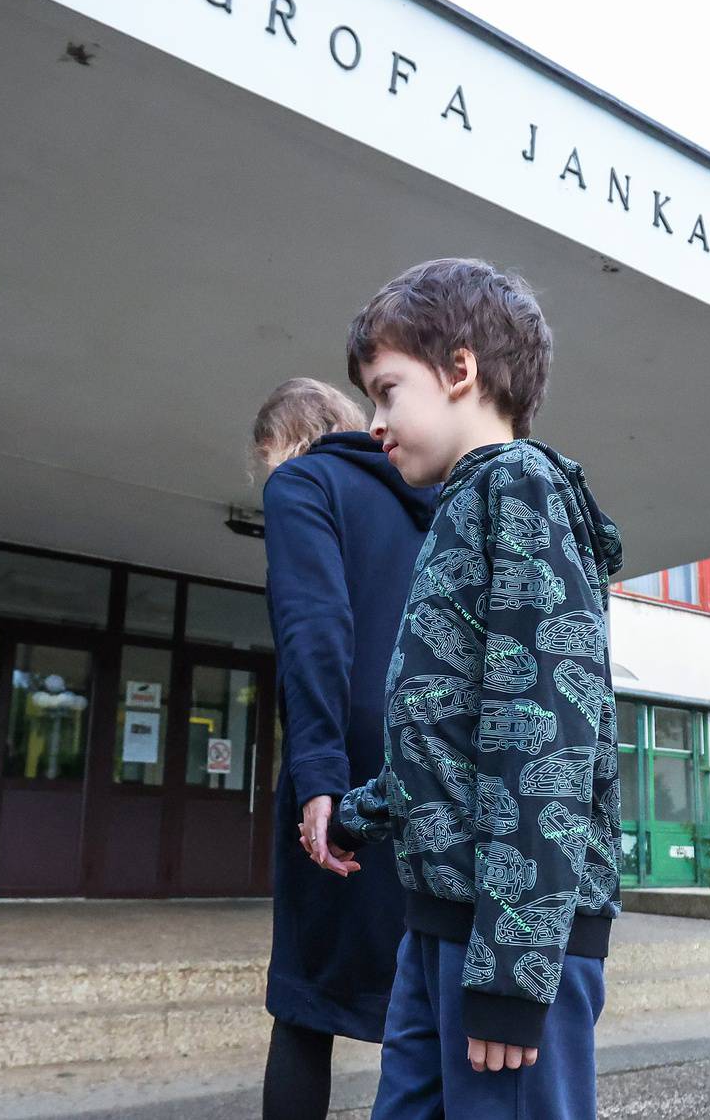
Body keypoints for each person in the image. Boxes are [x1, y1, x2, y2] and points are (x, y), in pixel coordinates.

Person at [308, 258, 625, 1120]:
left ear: (459, 371)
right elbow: (444, 734)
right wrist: (353, 813)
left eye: (385, 391)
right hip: (443, 916)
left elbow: (544, 736)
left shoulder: (519, 488)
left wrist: (515, 976)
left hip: (512, 935)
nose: (373, 422)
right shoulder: (462, 504)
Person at [255, 378, 437, 1120]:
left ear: (291, 439)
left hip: (347, 758)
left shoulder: (303, 482)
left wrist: (318, 774)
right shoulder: (430, 502)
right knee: (422, 991)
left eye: (266, 457)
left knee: (304, 997)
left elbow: (315, 630)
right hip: (430, 764)